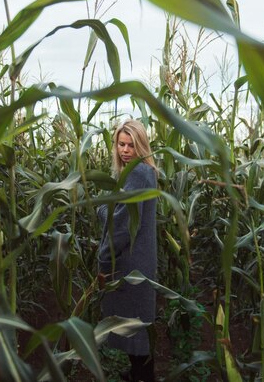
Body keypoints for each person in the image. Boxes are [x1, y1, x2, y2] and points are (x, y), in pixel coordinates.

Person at [97, 119, 157, 382]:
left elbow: (122, 225)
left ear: (141, 146)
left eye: (131, 145)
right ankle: (139, 373)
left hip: (131, 262)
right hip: (141, 259)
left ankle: (143, 377)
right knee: (138, 324)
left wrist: (104, 257)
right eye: (121, 144)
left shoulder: (137, 173)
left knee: (136, 326)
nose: (125, 150)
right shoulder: (145, 172)